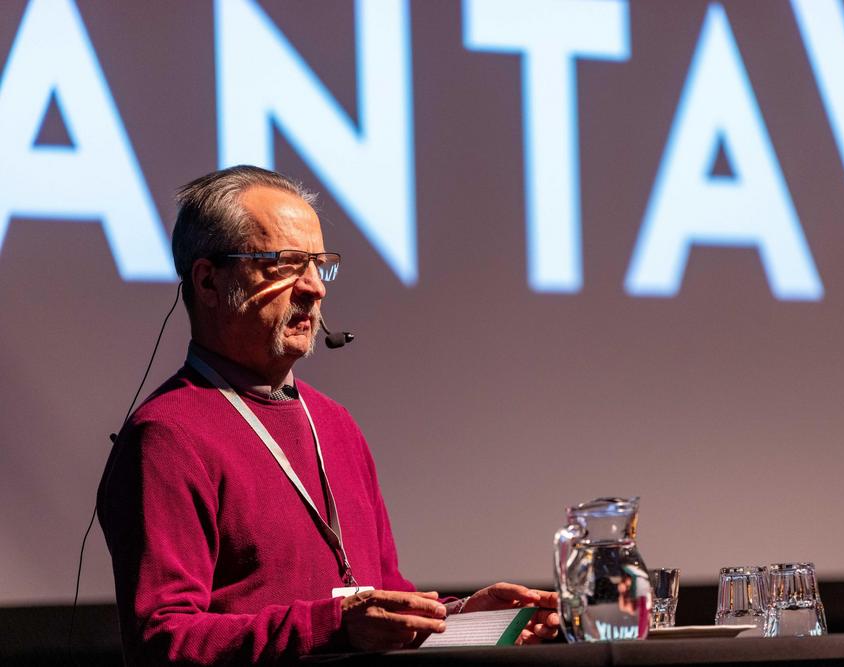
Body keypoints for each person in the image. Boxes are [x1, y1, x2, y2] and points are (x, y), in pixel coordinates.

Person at [98, 165, 559, 665]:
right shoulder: (167, 436)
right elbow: (162, 641)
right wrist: (334, 626)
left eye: (319, 265)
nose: (315, 288)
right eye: (286, 264)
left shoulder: (336, 424)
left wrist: (465, 619)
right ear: (209, 281)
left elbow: (384, 593)